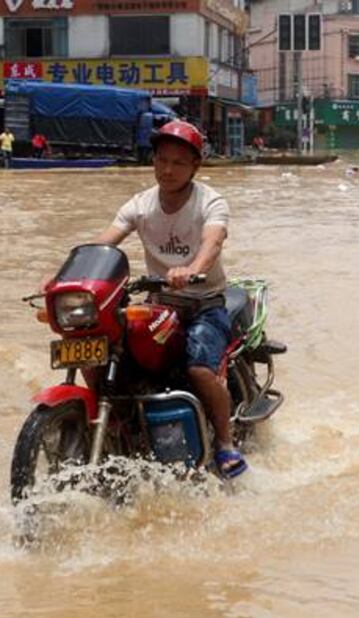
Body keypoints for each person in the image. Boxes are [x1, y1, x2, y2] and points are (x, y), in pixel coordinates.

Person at [93, 119, 247, 478]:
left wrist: (192, 268)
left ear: (195, 166)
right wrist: (68, 271)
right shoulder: (140, 205)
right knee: (103, 351)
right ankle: (118, 425)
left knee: (199, 368)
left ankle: (225, 443)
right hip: (161, 305)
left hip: (204, 304)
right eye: (162, 160)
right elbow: (103, 243)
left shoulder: (211, 202)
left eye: (178, 162)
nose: (167, 169)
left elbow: (213, 242)